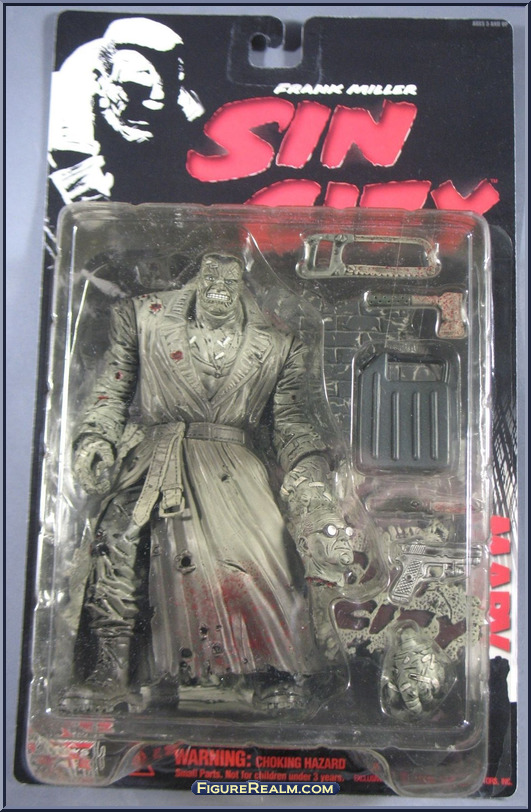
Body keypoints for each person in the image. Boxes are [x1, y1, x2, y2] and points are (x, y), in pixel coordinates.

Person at [61, 243, 358, 715]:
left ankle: (274, 669)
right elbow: (112, 389)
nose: (219, 290)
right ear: (197, 281)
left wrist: (309, 469)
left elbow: (290, 420)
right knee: (119, 543)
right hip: (156, 459)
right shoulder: (144, 318)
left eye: (229, 282)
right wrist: (96, 438)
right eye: (211, 280)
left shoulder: (279, 342)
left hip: (235, 466)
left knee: (266, 547)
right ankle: (109, 670)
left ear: (241, 286)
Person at [48, 17, 204, 204]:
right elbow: (84, 197)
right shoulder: (68, 101)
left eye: (169, 86)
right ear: (102, 79)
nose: (158, 99)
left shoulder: (185, 102)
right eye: (136, 88)